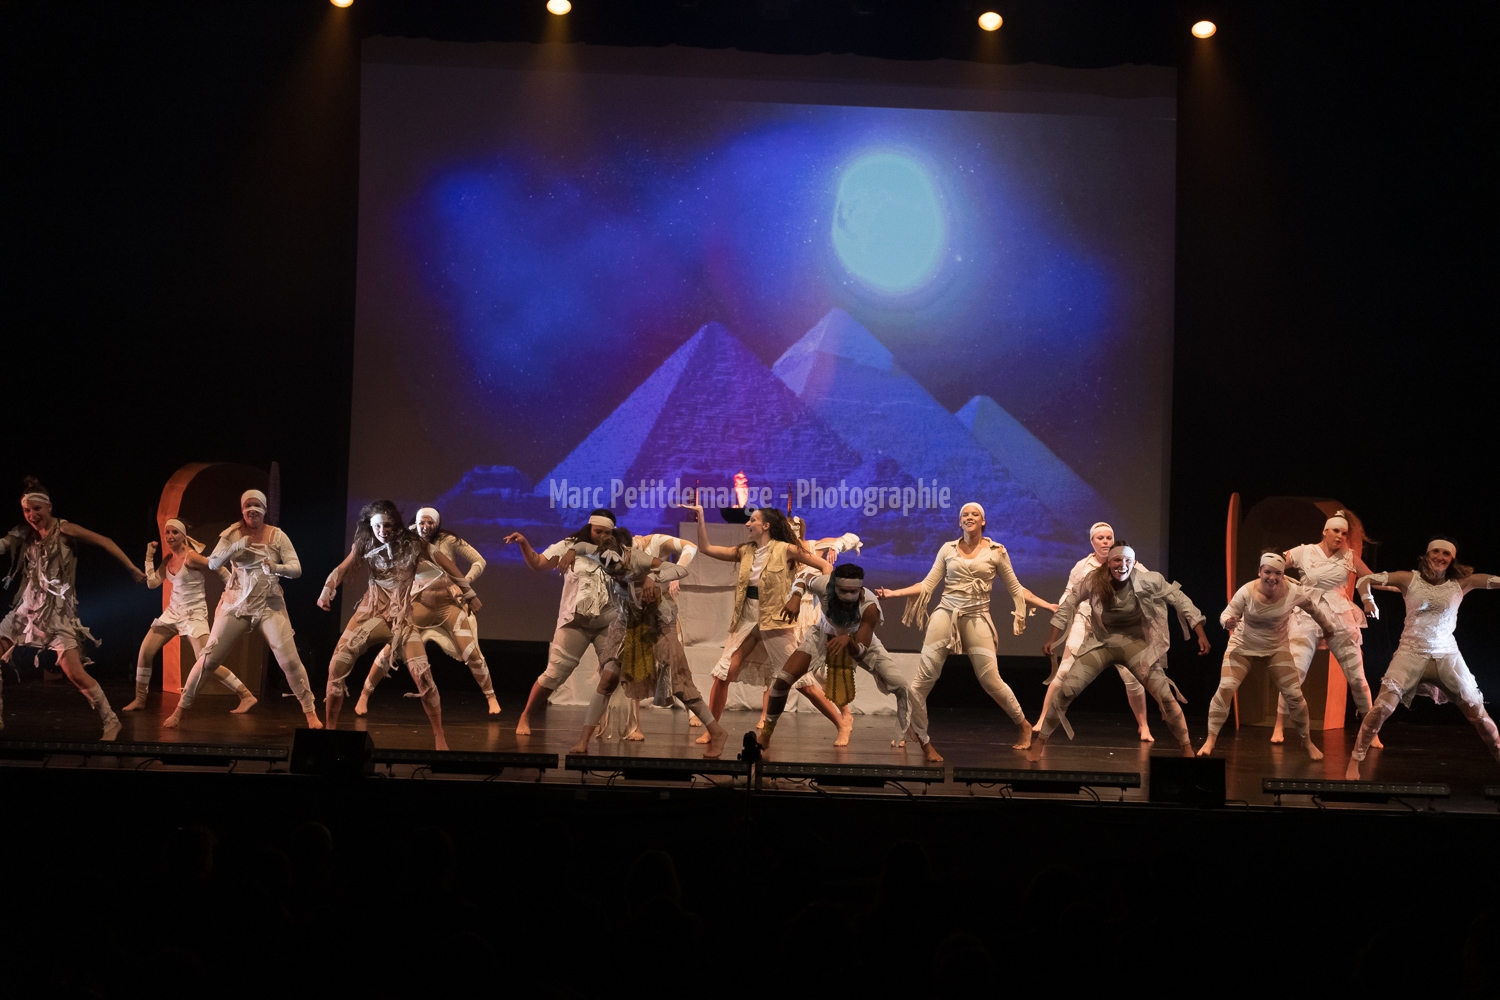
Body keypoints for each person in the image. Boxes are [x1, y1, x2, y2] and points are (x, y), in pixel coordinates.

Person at [318, 501, 483, 741]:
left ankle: (439, 735)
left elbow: (449, 566)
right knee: (336, 666)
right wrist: (327, 590)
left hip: (401, 621)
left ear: (396, 524)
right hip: (369, 615)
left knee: (423, 677)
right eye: (377, 526)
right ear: (370, 526)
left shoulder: (414, 544)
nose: (382, 531)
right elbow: (341, 569)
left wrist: (470, 594)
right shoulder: (365, 542)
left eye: (387, 526)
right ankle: (329, 732)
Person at [875, 502, 1034, 751]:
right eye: (964, 515)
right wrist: (893, 593)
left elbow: (1016, 588)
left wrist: (1048, 605)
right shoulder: (947, 549)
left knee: (991, 680)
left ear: (983, 521)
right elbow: (927, 585)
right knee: (923, 679)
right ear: (959, 522)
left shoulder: (997, 551)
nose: (969, 517)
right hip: (945, 614)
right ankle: (908, 727)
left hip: (977, 617)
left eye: (975, 514)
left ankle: (1024, 725)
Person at [1031, 541, 1209, 761]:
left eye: (1127, 561)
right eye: (1117, 560)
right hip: (1100, 644)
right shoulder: (1093, 581)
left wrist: (1200, 633)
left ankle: (1186, 745)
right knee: (1067, 690)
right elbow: (1068, 604)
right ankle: (1041, 741)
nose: (1122, 565)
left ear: (1133, 562)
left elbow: (1180, 600)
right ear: (1108, 562)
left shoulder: (1148, 580)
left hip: (1134, 645)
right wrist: (1052, 639)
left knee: (1165, 695)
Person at [164, 490, 321, 730]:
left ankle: (310, 712)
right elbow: (213, 563)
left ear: (264, 509)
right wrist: (236, 546)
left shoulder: (277, 536)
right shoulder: (231, 534)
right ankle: (180, 710)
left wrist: (276, 567)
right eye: (248, 505)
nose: (252, 510)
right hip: (236, 603)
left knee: (289, 660)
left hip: (269, 604)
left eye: (257, 505)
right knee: (208, 659)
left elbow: (296, 569)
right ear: (242, 510)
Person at [0, 477, 145, 738]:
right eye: (26, 510)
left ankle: (111, 721)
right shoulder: (25, 532)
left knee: (75, 673)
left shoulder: (64, 529)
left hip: (57, 614)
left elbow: (105, 541)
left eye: (37, 509)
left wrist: (131, 567)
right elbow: (3, 545)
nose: (32, 515)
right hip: (26, 611)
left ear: (49, 507)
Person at [1346, 538, 1500, 779]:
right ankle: (1355, 760)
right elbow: (1365, 580)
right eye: (1435, 552)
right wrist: (1368, 600)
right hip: (1410, 653)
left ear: (1452, 559)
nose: (1440, 557)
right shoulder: (1408, 579)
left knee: (1478, 716)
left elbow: (1494, 581)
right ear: (1427, 555)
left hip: (1447, 656)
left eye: (1446, 554)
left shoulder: (1461, 583)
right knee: (1381, 708)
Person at [687, 498, 831, 741]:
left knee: (801, 682)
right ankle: (713, 731)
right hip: (747, 620)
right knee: (723, 673)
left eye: (752, 520)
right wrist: (701, 515)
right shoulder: (745, 551)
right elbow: (706, 548)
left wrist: (819, 598)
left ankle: (841, 722)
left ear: (765, 526)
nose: (747, 523)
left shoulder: (786, 549)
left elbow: (825, 566)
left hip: (775, 620)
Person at [765, 563, 938, 760]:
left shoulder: (869, 606)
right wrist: (796, 596)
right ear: (834, 586)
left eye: (853, 592)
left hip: (858, 642)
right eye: (843, 591)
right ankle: (765, 736)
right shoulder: (824, 585)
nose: (848, 597)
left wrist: (848, 640)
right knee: (783, 679)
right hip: (823, 637)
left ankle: (925, 743)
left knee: (901, 686)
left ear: (860, 590)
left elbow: (861, 652)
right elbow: (803, 578)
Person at [1197, 552, 1349, 760]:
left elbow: (1313, 609)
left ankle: (1307, 742)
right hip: (1243, 645)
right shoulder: (1247, 591)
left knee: (1294, 695)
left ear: (1283, 574)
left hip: (1276, 648)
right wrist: (1227, 622)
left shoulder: (1293, 592)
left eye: (1278, 573)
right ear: (1260, 572)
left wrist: (1328, 628)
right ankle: (1210, 740)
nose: (1272, 577)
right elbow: (1226, 614)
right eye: (1268, 572)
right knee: (1225, 688)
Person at [350, 505, 500, 717]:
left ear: (437, 524)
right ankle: (365, 694)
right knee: (392, 647)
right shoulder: (407, 541)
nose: (426, 526)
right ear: (416, 523)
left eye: (430, 522)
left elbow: (479, 561)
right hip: (420, 606)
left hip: (448, 608)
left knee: (471, 652)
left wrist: (463, 583)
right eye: (422, 522)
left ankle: (491, 697)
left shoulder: (448, 540)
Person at [506, 509, 625, 737]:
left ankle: (599, 721)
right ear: (590, 528)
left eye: (607, 533)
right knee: (554, 676)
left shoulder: (617, 551)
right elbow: (538, 563)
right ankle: (526, 715)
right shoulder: (569, 545)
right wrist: (524, 543)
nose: (602, 536)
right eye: (598, 531)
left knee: (611, 676)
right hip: (575, 622)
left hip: (607, 622)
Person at [1036, 522, 1156, 742]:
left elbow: (1151, 583)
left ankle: (1144, 725)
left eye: (1108, 538)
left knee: (1132, 676)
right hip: (1085, 622)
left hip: (1117, 627)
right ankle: (1043, 717)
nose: (1105, 542)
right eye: (1100, 538)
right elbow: (1069, 592)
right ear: (1092, 541)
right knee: (1064, 671)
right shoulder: (1082, 566)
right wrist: (1062, 609)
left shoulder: (1125, 560)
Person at [123, 518, 256, 714]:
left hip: (193, 615)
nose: (170, 536)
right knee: (145, 651)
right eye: (167, 532)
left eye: (174, 532)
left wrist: (235, 589)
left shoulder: (191, 557)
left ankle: (246, 695)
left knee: (207, 662)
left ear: (184, 535)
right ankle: (140, 699)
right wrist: (149, 556)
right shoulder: (169, 559)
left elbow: (216, 566)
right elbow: (152, 583)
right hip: (173, 613)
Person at [1274, 512, 1380, 744]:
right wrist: (1277, 577)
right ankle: (1278, 726)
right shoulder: (1304, 552)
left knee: (1357, 678)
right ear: (1325, 531)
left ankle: (1371, 733)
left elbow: (1370, 578)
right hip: (1307, 615)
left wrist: (1385, 591)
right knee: (1294, 675)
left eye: (1344, 533)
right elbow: (1275, 563)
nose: (1340, 536)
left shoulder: (1349, 556)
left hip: (1340, 617)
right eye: (1336, 531)